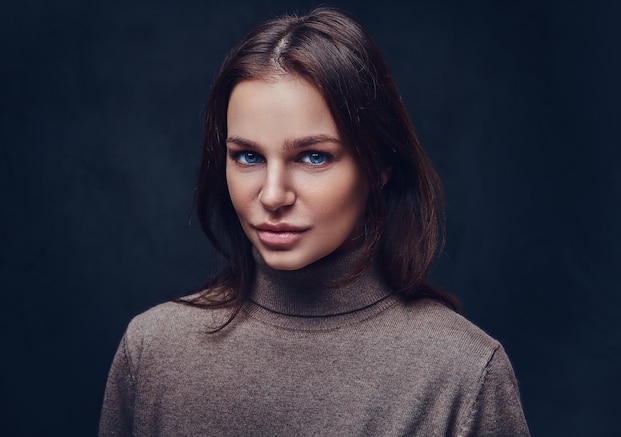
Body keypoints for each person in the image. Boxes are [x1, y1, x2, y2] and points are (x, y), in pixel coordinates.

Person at [99, 7, 530, 436]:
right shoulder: (153, 353)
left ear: (379, 164)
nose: (272, 195)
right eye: (247, 156)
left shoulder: (462, 375)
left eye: (313, 156)